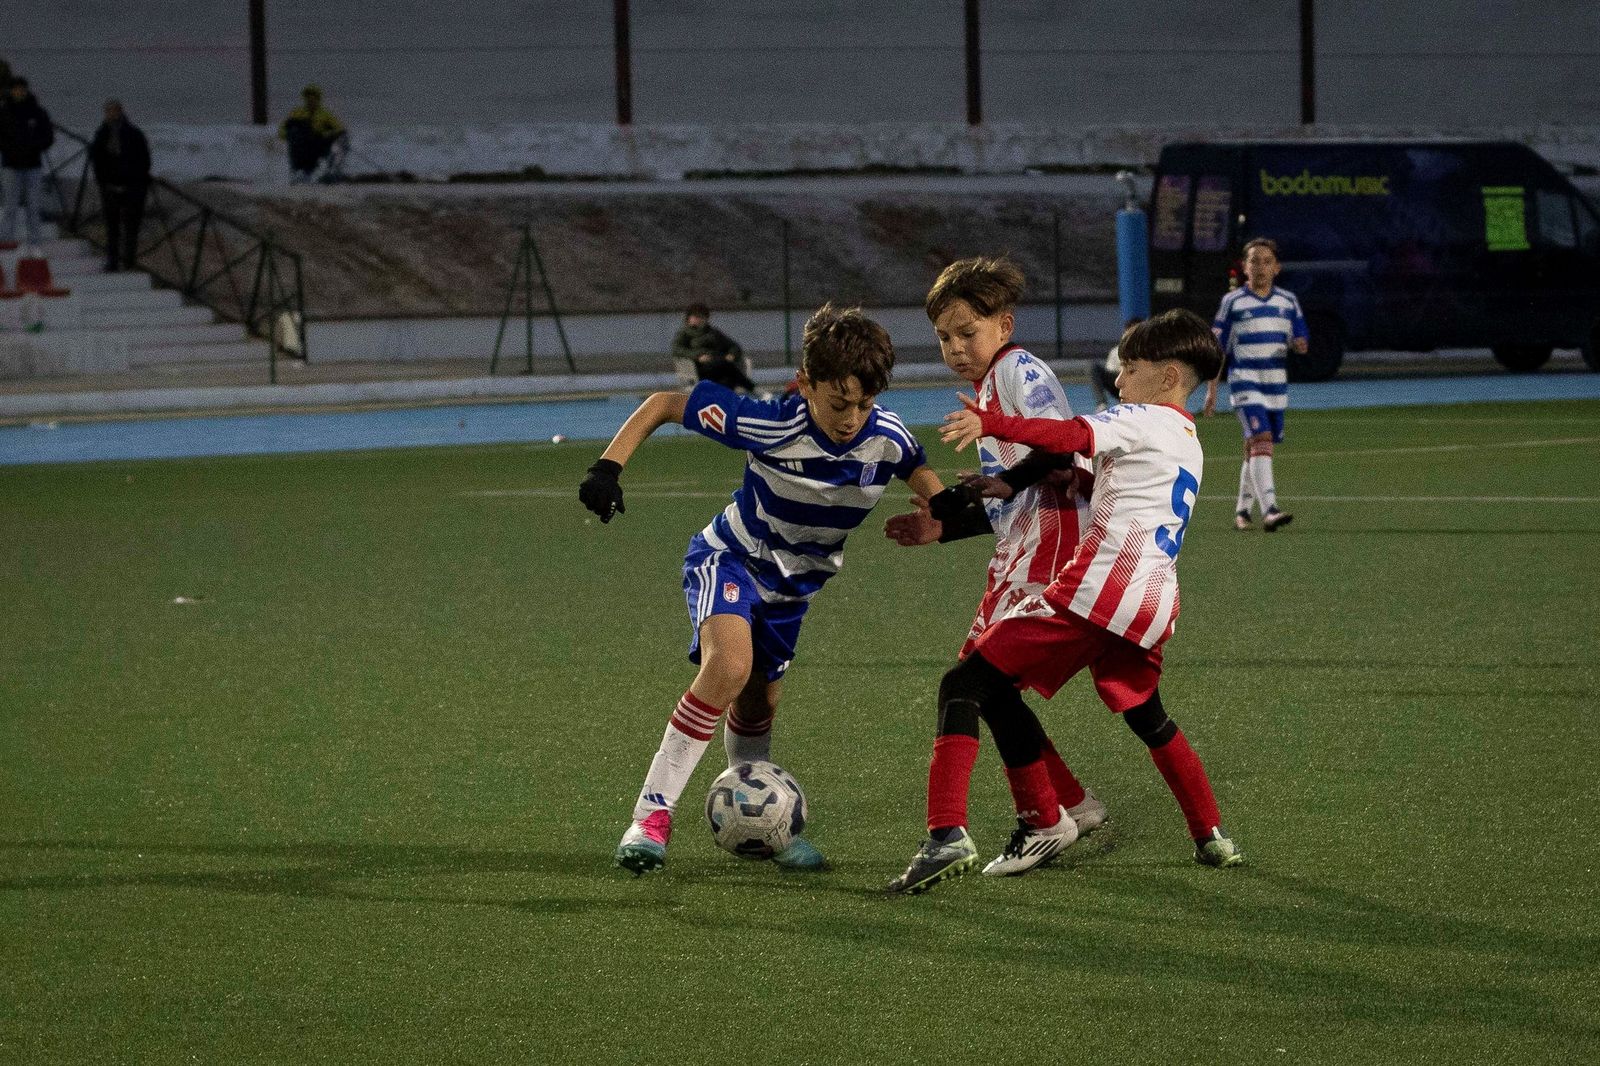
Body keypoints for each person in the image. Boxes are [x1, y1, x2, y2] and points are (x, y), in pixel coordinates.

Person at [580, 303, 943, 876]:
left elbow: (917, 467)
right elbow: (665, 404)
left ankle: (762, 824)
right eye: (838, 403)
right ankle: (649, 818)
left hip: (792, 592)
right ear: (806, 385)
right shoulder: (770, 422)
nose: (852, 418)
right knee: (729, 667)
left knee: (758, 703)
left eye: (864, 403)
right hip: (730, 558)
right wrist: (608, 468)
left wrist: (941, 514)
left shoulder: (886, 436)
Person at [889, 309, 1243, 894]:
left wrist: (991, 422)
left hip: (1097, 590)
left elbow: (1069, 436)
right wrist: (1050, 482)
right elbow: (1121, 491)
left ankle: (949, 833)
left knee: (965, 684)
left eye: (1130, 367)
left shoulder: (1143, 416)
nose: (1119, 379)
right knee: (1150, 718)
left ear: (1169, 376)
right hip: (1152, 601)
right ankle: (1210, 833)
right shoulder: (1186, 438)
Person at [881, 256, 1106, 893]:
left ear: (1003, 324)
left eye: (966, 332)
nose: (955, 347)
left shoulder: (1016, 369)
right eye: (944, 337)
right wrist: (945, 528)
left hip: (1050, 544)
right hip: (1024, 544)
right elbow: (1011, 498)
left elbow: (1060, 443)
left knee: (970, 682)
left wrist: (1001, 483)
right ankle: (1069, 806)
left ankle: (988, 828)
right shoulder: (988, 388)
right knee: (983, 683)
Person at [1203, 237, 1308, 532]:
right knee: (1262, 438)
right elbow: (1217, 349)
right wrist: (1212, 390)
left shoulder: (1288, 302)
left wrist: (1300, 344)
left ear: (1276, 268)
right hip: (1244, 381)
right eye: (1254, 261)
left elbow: (1300, 338)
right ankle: (1270, 510)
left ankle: (1242, 511)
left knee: (1255, 446)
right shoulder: (1233, 302)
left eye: (1266, 261)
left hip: (1275, 385)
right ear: (1244, 267)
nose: (1260, 267)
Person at [89, 99, 151, 272]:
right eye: (108, 111)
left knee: (131, 228)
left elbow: (144, 160)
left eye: (114, 111)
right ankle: (113, 262)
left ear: (120, 111)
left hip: (132, 187)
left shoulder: (134, 134)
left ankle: (128, 263)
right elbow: (96, 160)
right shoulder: (101, 134)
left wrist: (137, 181)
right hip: (110, 187)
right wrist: (103, 181)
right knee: (112, 227)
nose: (111, 114)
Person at [0, 77, 54, 251]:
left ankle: (35, 241)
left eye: (22, 89)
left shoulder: (38, 112)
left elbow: (48, 136)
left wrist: (33, 147)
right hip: (11, 165)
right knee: (10, 204)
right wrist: (11, 149)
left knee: (34, 205)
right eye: (16, 89)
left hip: (32, 165)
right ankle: (6, 239)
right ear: (11, 91)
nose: (19, 92)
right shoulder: (4, 113)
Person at [671, 302, 756, 393]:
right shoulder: (685, 333)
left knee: (728, 378)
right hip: (701, 368)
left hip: (719, 364)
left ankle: (725, 398)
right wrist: (697, 356)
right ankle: (753, 388)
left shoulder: (713, 332)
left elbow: (734, 346)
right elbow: (677, 349)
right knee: (728, 367)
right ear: (688, 318)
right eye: (695, 316)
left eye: (701, 317)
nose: (698, 319)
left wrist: (732, 354)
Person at [278, 84, 348, 184]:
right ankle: (300, 172)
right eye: (308, 98)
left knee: (340, 141)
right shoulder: (297, 113)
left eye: (313, 98)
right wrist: (291, 135)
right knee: (296, 143)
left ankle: (332, 171)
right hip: (301, 146)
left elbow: (340, 129)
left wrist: (323, 134)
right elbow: (282, 130)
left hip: (319, 144)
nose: (311, 101)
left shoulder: (325, 114)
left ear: (318, 99)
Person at [1090, 316, 1141, 412]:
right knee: (1094, 368)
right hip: (1121, 384)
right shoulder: (1115, 351)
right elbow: (1112, 374)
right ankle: (1101, 403)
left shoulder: (1148, 353)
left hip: (1140, 386)